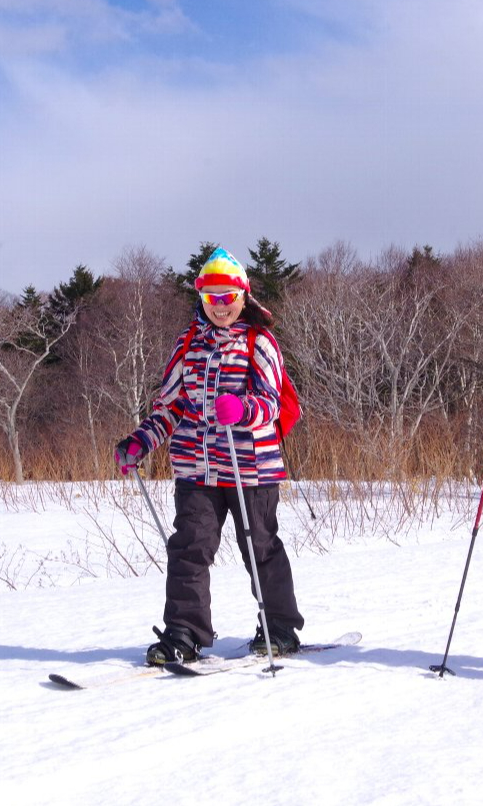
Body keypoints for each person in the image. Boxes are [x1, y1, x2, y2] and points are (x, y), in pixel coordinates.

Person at [114, 247, 305, 666]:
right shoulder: (187, 345)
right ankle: (185, 632)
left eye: (227, 297)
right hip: (195, 468)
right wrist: (141, 441)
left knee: (259, 546)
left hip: (250, 468)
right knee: (189, 547)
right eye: (210, 297)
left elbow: (271, 403)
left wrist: (243, 408)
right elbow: (170, 407)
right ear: (201, 298)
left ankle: (279, 627)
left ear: (243, 296)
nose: (220, 306)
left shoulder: (259, 342)